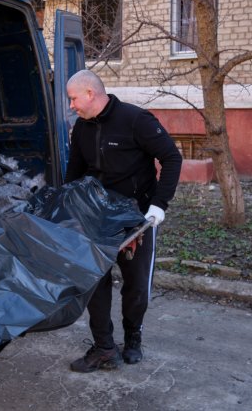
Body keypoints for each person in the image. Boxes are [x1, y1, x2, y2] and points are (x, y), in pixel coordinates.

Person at [65, 69, 182, 373]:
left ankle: (133, 337)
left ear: (90, 93)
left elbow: (171, 158)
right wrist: (69, 209)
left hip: (136, 219)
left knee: (136, 285)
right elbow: (74, 172)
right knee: (95, 282)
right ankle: (104, 347)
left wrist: (158, 205)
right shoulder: (81, 127)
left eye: (73, 98)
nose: (71, 106)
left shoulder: (136, 120)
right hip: (97, 217)